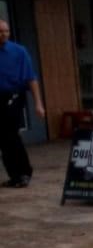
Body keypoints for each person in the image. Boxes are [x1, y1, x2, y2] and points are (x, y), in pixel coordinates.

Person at [0, 20, 44, 188]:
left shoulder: (19, 51)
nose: (3, 34)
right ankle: (14, 176)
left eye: (6, 31)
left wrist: (38, 103)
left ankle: (24, 172)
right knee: (3, 138)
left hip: (15, 96)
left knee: (10, 134)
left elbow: (31, 78)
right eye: (0, 31)